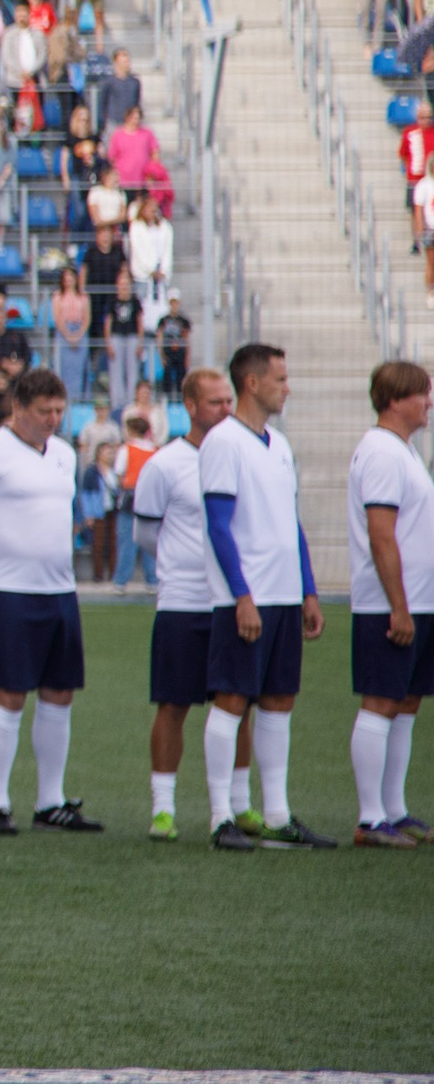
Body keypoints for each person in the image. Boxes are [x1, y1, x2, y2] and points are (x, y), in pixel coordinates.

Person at [0, 366, 101, 834]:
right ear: (18, 408)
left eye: (59, 410)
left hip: (59, 590)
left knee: (59, 693)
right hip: (9, 592)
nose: (53, 419)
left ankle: (50, 801)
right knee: (9, 694)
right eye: (43, 411)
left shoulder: (66, 456)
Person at [196, 342, 334, 850]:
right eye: (280, 378)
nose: (287, 386)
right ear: (251, 383)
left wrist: (309, 590)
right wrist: (241, 595)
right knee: (232, 699)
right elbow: (218, 525)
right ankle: (219, 818)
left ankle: (277, 815)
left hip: (284, 595)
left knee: (279, 702)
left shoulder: (279, 444)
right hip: (248, 598)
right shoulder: (223, 442)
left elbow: (290, 523)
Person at [133, 369, 254, 842]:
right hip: (183, 603)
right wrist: (183, 564)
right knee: (174, 704)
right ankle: (163, 808)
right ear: (189, 405)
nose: (225, 409)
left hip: (233, 603)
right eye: (214, 402)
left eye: (229, 400)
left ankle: (237, 807)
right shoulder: (164, 464)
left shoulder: (245, 454)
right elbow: (146, 534)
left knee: (237, 704)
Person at [347, 360, 434, 847]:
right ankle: (369, 817)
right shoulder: (381, 452)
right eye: (423, 393)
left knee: (405, 704)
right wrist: (398, 606)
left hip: (417, 601)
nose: (430, 402)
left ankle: (394, 809)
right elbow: (382, 536)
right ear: (398, 398)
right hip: (389, 604)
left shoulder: (402, 451)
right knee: (381, 702)